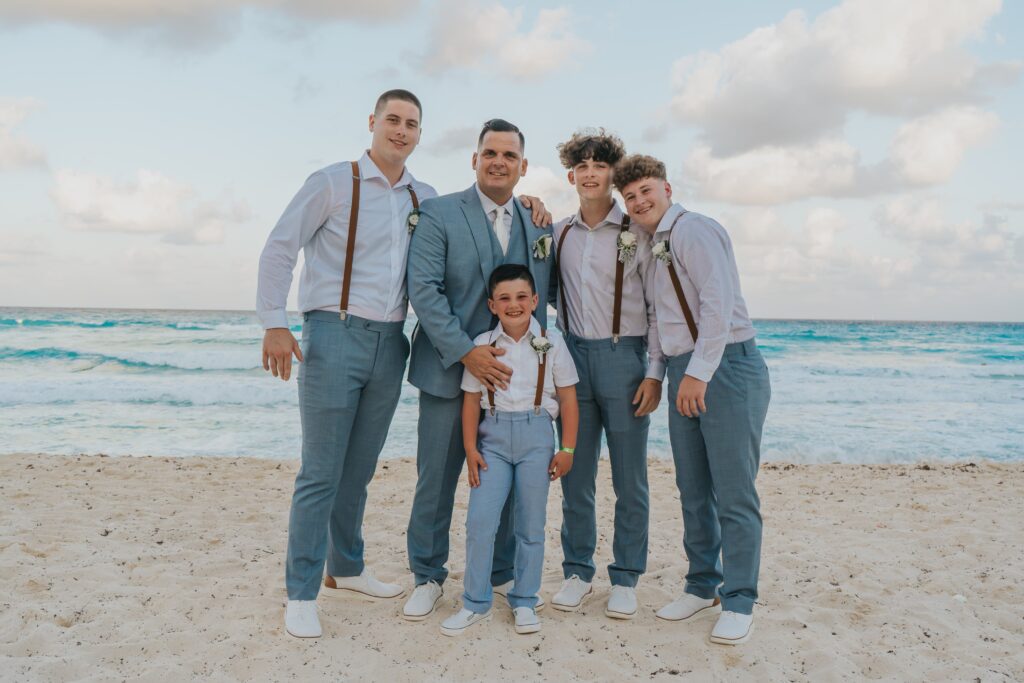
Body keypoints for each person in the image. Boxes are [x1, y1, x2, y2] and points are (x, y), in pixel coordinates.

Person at [257, 89, 436, 639]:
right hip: (332, 334)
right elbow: (280, 248)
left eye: (411, 123)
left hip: (392, 341)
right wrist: (275, 323)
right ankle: (302, 592)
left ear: (419, 133)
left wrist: (529, 204)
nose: (401, 130)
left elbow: (471, 225)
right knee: (320, 472)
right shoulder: (332, 181)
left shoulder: (424, 197)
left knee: (359, 469)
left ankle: (348, 567)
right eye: (392, 120)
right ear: (372, 122)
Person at [614, 154, 771, 645]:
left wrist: (699, 374)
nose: (639, 202)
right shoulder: (648, 242)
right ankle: (702, 584)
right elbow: (661, 319)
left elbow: (717, 305)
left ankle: (740, 597)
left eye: (645, 191)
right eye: (630, 196)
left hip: (725, 365)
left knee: (734, 489)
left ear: (666, 187)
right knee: (692, 486)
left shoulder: (694, 230)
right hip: (686, 368)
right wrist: (659, 374)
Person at [404, 119, 554, 620]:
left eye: (509, 155)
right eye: (490, 152)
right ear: (474, 159)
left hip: (517, 385)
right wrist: (467, 352)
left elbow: (543, 300)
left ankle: (500, 573)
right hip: (450, 373)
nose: (498, 162)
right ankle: (427, 575)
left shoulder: (539, 223)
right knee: (438, 478)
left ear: (523, 167)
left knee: (508, 482)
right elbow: (424, 290)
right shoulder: (441, 212)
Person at [548, 130, 663, 619]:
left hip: (625, 358)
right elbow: (549, 296)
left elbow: (659, 308)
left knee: (630, 477)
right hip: (572, 359)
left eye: (600, 164)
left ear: (613, 174)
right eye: (582, 165)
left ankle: (626, 577)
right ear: (571, 174)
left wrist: (654, 373)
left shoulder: (638, 233)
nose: (591, 172)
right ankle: (577, 570)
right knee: (574, 472)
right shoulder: (557, 233)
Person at [439, 264, 578, 636]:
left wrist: (567, 447)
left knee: (531, 524)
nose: (513, 304)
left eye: (521, 297)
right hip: (493, 440)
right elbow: (470, 402)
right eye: (504, 298)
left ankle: (525, 599)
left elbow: (567, 398)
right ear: (492, 304)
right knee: (480, 522)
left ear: (535, 300)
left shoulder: (553, 341)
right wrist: (470, 449)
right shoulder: (482, 345)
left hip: (537, 436)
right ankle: (475, 601)